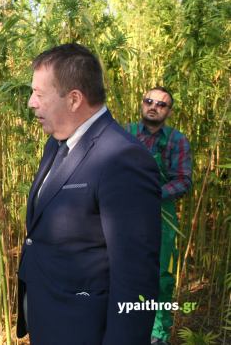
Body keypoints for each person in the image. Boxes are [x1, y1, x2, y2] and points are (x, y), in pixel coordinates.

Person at [16, 43, 161, 345]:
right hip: (48, 316)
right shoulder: (56, 143)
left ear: (74, 99)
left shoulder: (122, 159)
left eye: (39, 94)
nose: (31, 103)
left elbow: (136, 276)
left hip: (84, 329)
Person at [127, 87, 192, 345]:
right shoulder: (124, 134)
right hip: (124, 213)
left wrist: (152, 195)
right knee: (123, 269)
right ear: (142, 104)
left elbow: (183, 180)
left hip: (161, 215)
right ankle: (125, 325)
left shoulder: (177, 140)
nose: (154, 106)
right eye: (149, 101)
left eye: (161, 104)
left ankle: (158, 334)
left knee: (161, 276)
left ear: (169, 111)